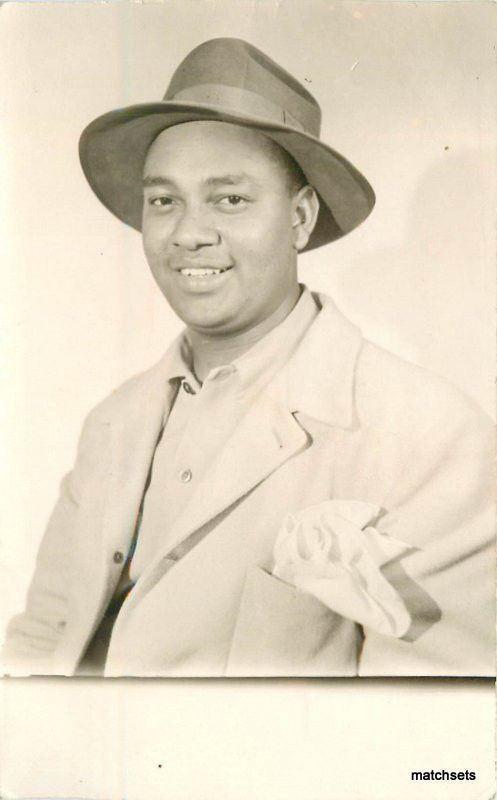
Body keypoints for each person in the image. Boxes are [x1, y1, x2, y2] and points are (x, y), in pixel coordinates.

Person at [2, 38, 494, 678]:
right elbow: (38, 650)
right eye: (164, 200)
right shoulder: (112, 422)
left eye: (229, 199)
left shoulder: (431, 433)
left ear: (299, 217)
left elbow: (438, 732)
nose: (189, 233)